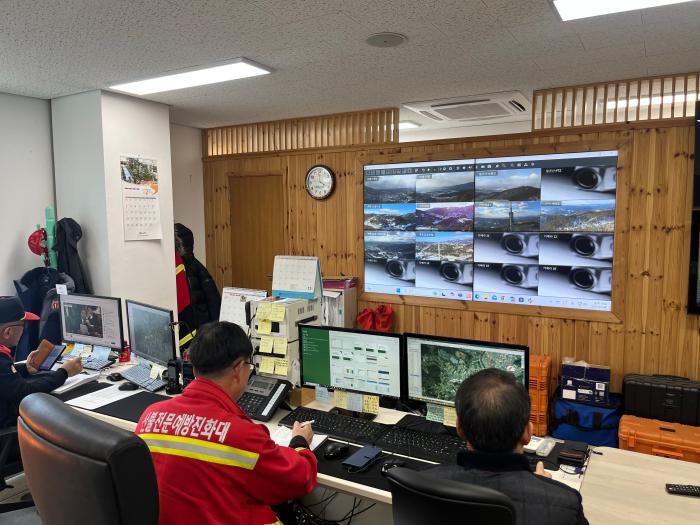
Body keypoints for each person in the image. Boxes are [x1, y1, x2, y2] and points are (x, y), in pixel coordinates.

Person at [135, 321, 317, 525]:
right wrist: (300, 443)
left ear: (194, 368)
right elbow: (299, 479)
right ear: (239, 369)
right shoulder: (240, 434)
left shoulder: (149, 417)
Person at [425, 368, 588, 525]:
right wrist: (542, 488)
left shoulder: (421, 484)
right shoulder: (566, 505)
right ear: (528, 433)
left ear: (459, 428)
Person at [0, 296, 83, 463]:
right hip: (5, 439)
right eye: (23, 325)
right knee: (67, 434)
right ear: (8, 332)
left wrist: (24, 368)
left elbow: (6, 380)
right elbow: (25, 393)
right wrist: (64, 372)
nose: (24, 330)